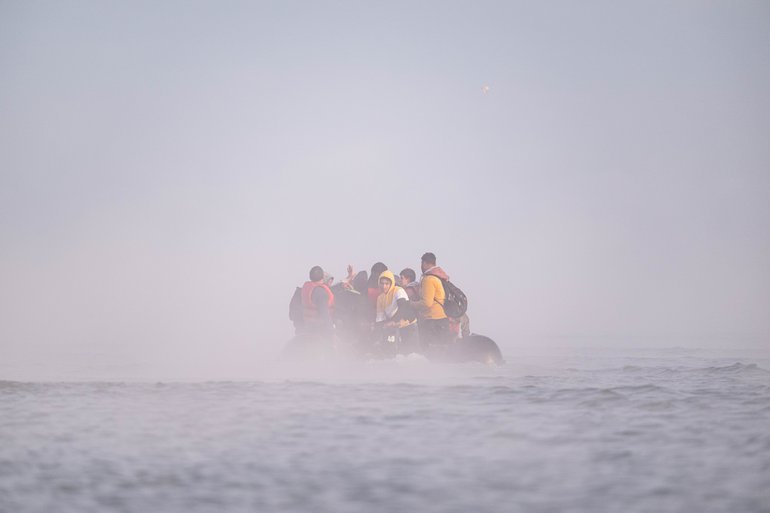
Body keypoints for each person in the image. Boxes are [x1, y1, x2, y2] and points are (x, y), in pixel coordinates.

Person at [411, 252, 453, 349]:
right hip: (442, 319)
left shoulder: (429, 279)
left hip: (432, 321)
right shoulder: (440, 277)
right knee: (442, 352)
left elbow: (427, 303)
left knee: (430, 353)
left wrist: (411, 304)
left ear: (425, 263)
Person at [374, 270, 419, 355]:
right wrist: (377, 328)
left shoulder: (399, 291)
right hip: (395, 328)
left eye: (387, 283)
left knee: (411, 354)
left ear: (391, 283)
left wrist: (392, 321)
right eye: (382, 283)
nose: (384, 286)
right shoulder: (380, 298)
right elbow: (380, 318)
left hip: (409, 326)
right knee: (394, 353)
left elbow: (403, 308)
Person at [299, 265, 334, 337]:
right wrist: (331, 329)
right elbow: (324, 313)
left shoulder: (308, 288)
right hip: (320, 329)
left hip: (309, 326)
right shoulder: (321, 293)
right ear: (322, 277)